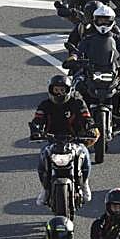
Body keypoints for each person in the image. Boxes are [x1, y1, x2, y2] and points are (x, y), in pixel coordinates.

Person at [30, 74, 97, 205]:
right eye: (56, 90)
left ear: (68, 90)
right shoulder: (45, 105)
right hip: (52, 140)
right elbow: (38, 119)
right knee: (42, 158)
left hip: (74, 139)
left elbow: (86, 116)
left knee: (85, 155)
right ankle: (45, 189)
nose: (59, 93)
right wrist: (36, 130)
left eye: (62, 90)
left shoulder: (77, 102)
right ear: (51, 90)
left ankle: (84, 184)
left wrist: (89, 127)